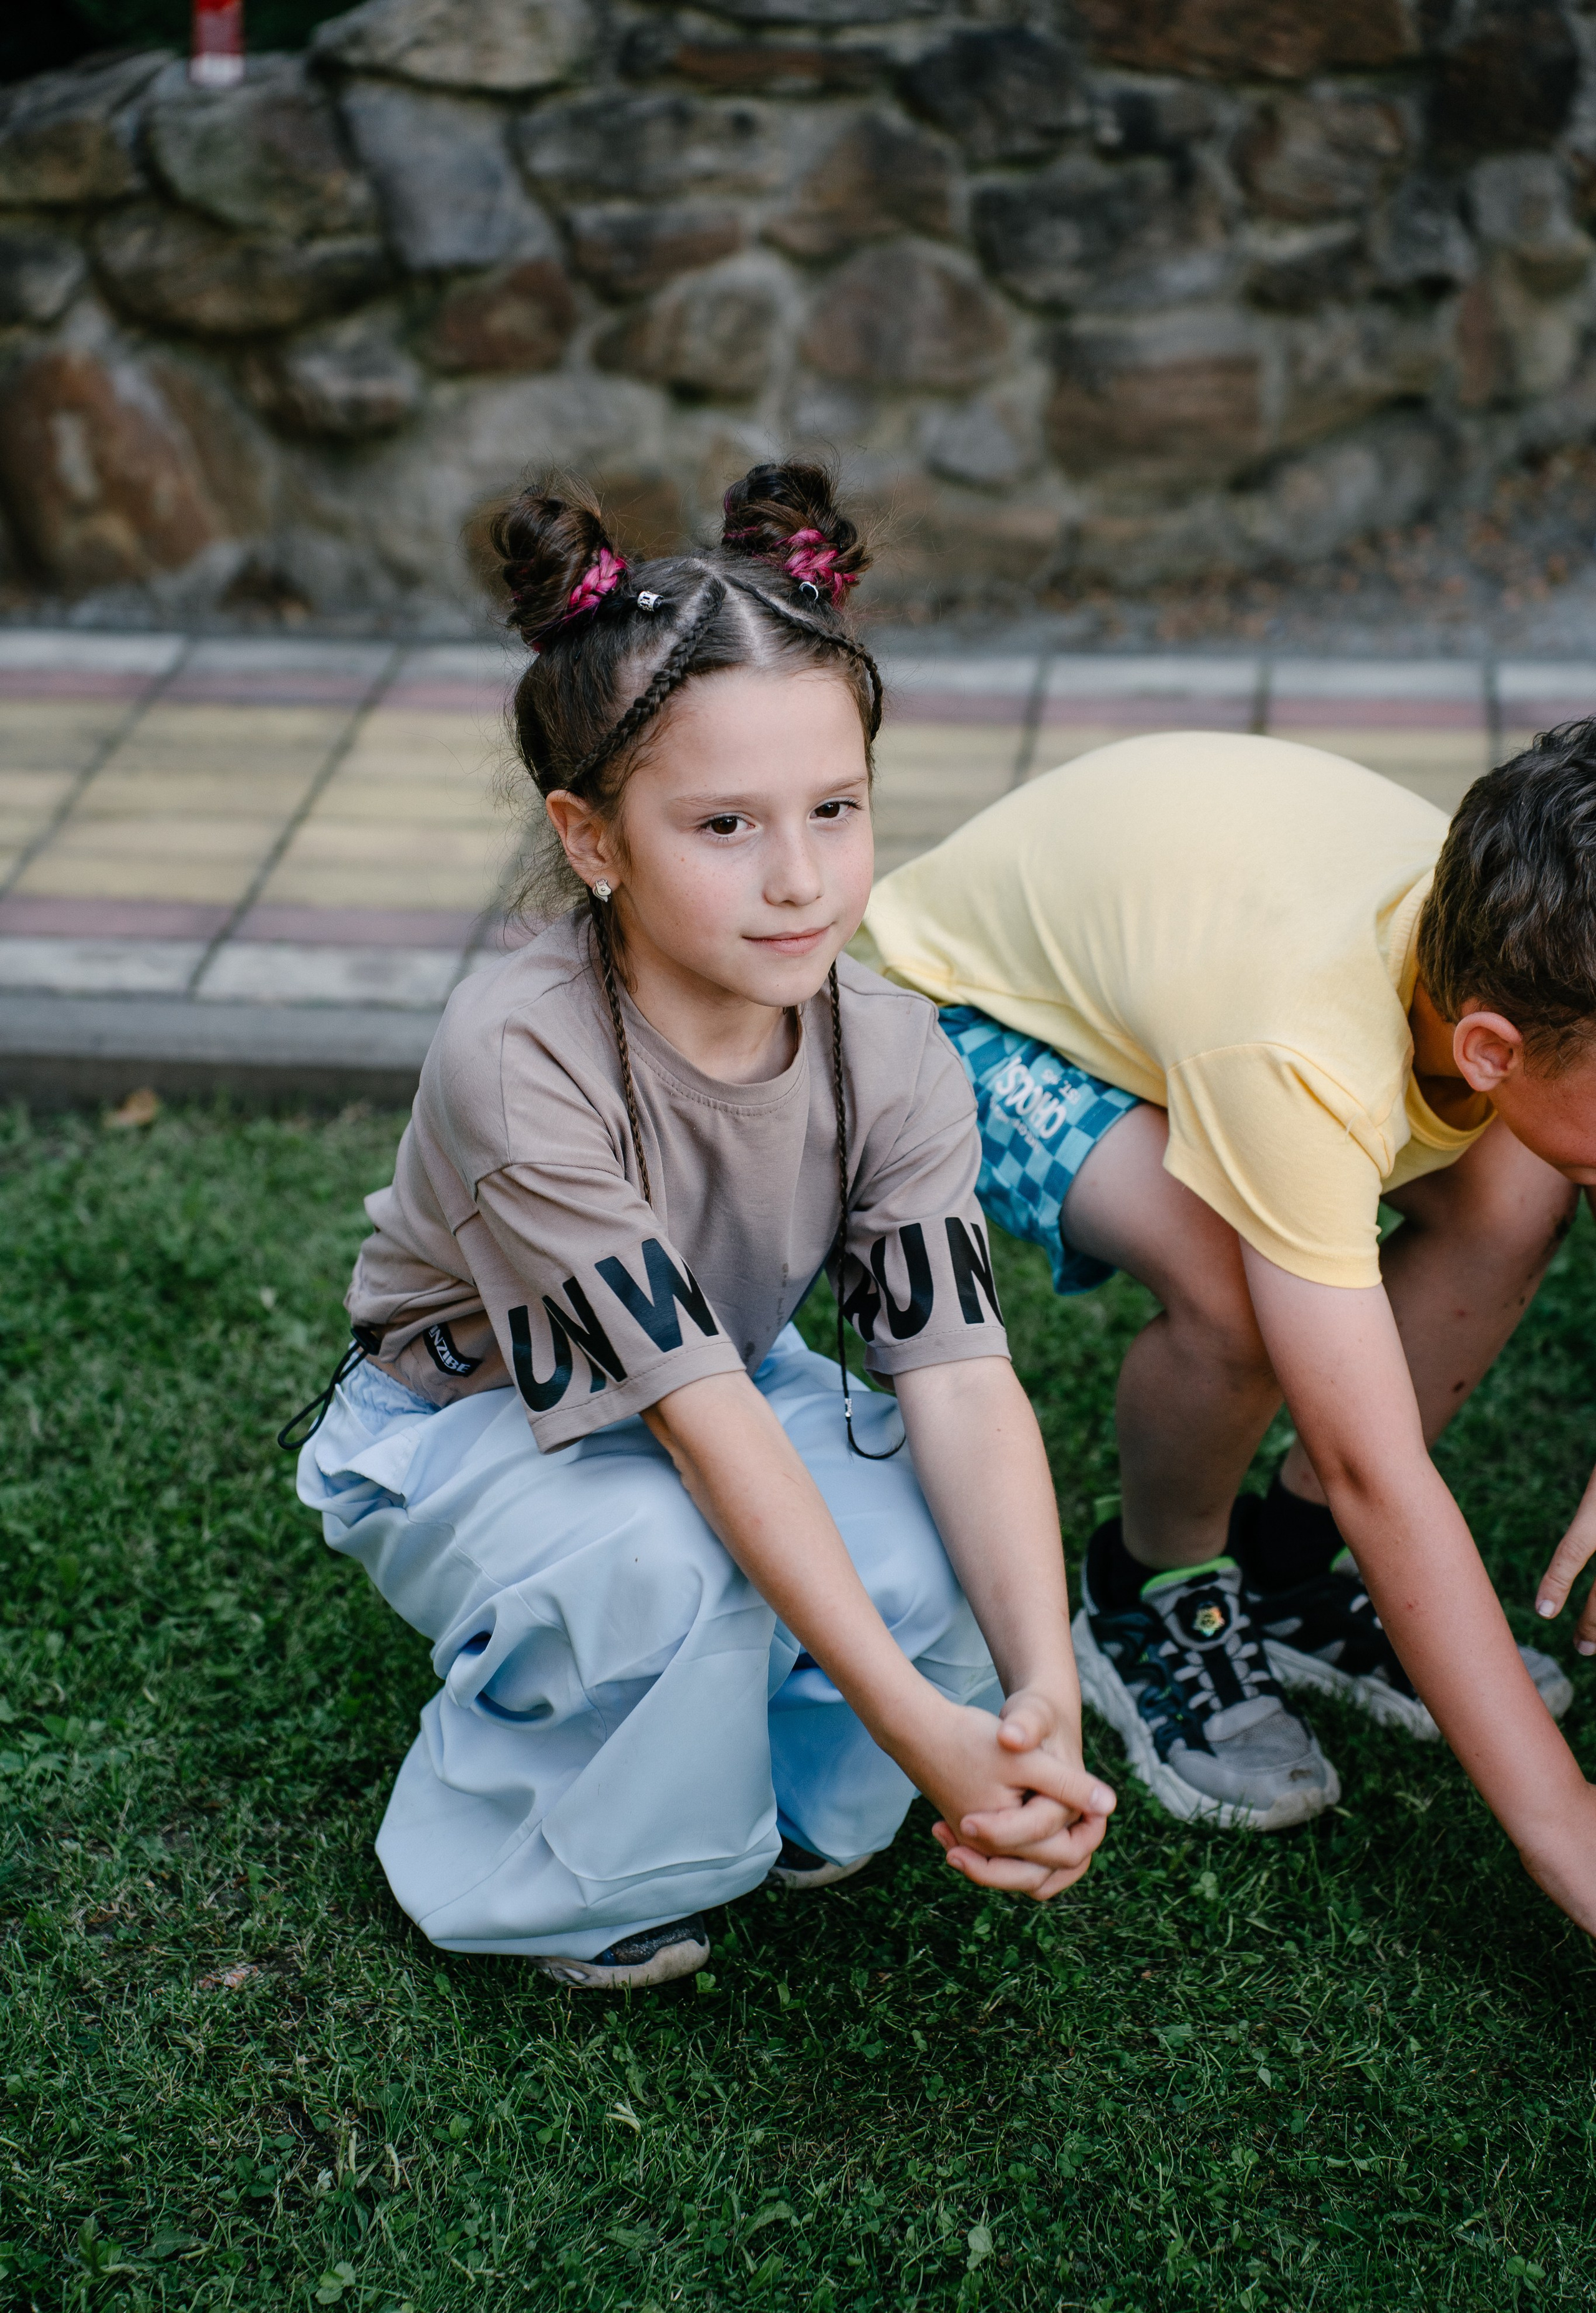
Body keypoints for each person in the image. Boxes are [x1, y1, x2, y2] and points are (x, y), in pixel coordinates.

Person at [291, 463, 1113, 1989]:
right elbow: (699, 1418)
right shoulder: (515, 1051)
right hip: (465, 1419)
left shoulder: (891, 1044)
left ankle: (795, 1804)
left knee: (937, 1540)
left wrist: (1035, 1688)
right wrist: (913, 1713)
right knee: (665, 1564)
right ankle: (542, 1876)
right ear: (592, 839)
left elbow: (956, 1379)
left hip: (717, 1378)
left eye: (836, 810)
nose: (799, 879)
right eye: (723, 823)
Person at [859, 720, 1596, 1931]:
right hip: (951, 1013)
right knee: (1242, 1299)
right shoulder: (1300, 1048)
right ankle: (1148, 1589)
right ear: (1486, 1049)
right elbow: (1375, 1469)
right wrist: (1565, 1822)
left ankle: (1285, 1578)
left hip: (1189, 972)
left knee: (1510, 1196)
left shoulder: (1515, 963)